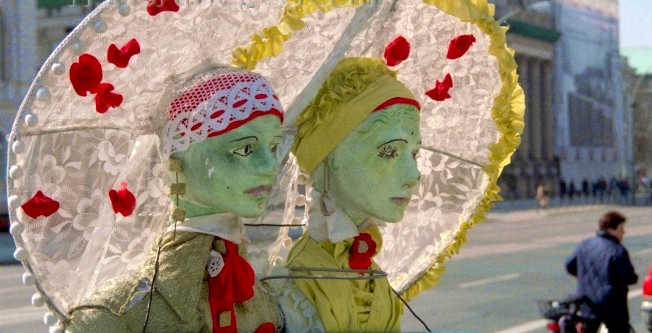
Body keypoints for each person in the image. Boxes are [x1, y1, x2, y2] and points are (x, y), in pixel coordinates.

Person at [66, 69, 285, 333]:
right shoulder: (115, 317)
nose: (270, 164)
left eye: (273, 147)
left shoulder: (265, 300)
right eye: (245, 149)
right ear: (176, 163)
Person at [278, 57, 421, 332]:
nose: (415, 174)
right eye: (390, 151)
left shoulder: (372, 272)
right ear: (329, 155)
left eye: (414, 153)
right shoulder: (294, 283)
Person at [565, 211, 638, 333]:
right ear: (611, 229)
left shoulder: (585, 245)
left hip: (588, 302)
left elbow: (569, 266)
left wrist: (580, 276)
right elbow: (628, 277)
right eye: (621, 228)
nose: (623, 233)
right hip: (613, 306)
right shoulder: (617, 250)